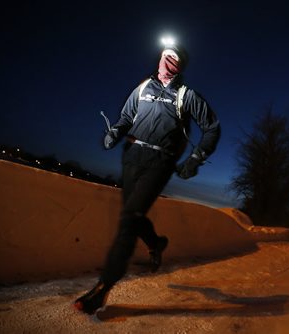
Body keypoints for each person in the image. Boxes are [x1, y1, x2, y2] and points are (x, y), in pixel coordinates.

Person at [73, 40, 221, 314]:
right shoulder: (142, 88)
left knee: (129, 219)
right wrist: (114, 133)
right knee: (133, 215)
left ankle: (104, 286)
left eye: (173, 58)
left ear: (179, 66)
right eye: (164, 56)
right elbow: (126, 117)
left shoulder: (186, 95)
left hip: (160, 161)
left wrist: (195, 159)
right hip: (132, 157)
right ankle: (156, 243)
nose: (166, 61)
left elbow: (212, 127)